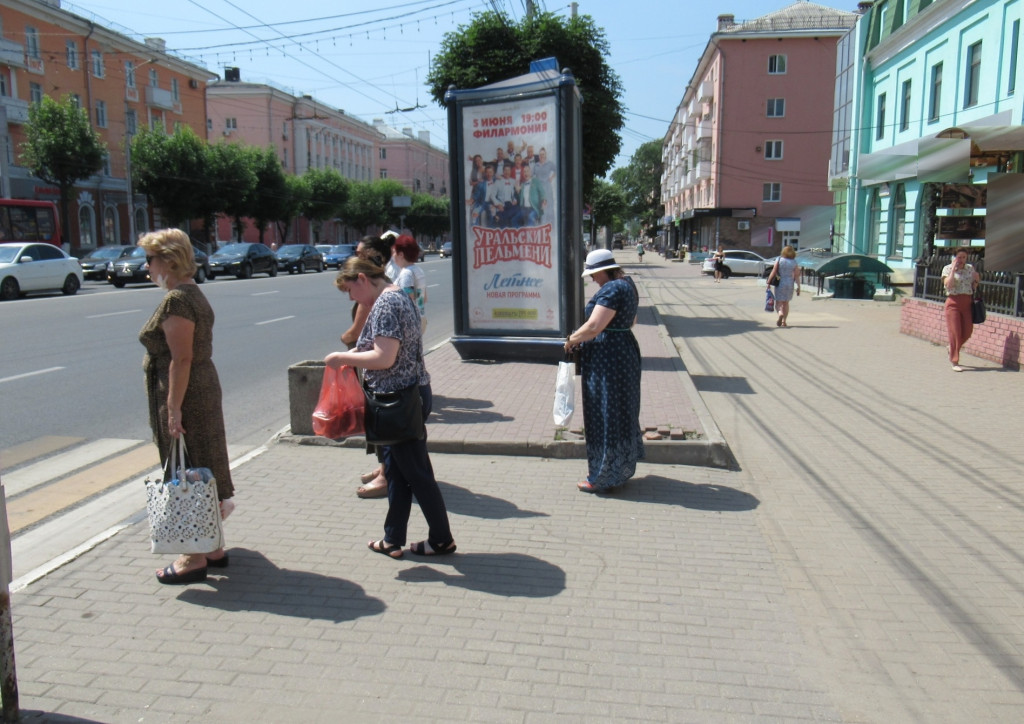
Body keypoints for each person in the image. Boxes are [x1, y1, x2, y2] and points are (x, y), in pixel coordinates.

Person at [325, 257, 456, 558]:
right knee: (397, 471)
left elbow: (384, 357)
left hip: (397, 399)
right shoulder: (398, 295)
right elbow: (381, 346)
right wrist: (358, 351)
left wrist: (343, 358)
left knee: (417, 474)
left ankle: (441, 539)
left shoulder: (385, 304)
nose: (350, 297)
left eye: (349, 290)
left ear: (362, 278)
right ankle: (392, 539)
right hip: (403, 395)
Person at [138, 229, 234, 585]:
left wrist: (173, 409)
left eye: (150, 259)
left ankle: (192, 556)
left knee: (185, 470)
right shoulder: (192, 292)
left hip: (188, 393)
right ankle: (212, 547)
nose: (146, 266)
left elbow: (181, 358)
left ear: (167, 259)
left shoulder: (177, 300)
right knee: (202, 463)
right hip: (200, 388)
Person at [564, 249, 644, 493]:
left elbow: (595, 326)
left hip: (607, 357)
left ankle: (602, 476)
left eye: (592, 274)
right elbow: (631, 321)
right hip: (624, 352)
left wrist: (571, 340)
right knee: (621, 411)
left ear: (601, 270)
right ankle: (620, 468)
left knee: (604, 413)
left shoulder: (611, 290)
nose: (591, 279)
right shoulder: (628, 284)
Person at [344, 235, 394, 499]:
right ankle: (387, 471)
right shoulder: (384, 289)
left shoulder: (381, 296)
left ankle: (388, 475)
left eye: (361, 252)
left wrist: (346, 351)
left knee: (383, 427)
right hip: (395, 383)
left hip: (390, 384)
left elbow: (383, 356)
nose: (352, 296)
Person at [941, 246, 980, 372]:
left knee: (967, 332)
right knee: (955, 333)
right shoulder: (947, 268)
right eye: (959, 257)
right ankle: (955, 361)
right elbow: (948, 284)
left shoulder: (970, 268)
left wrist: (976, 279)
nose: (961, 260)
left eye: (964, 257)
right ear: (954, 257)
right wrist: (953, 270)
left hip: (967, 302)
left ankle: (951, 348)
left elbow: (974, 286)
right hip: (953, 302)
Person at [392, 234, 427, 333]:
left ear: (401, 254)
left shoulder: (406, 273)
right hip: (420, 316)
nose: (393, 256)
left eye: (394, 252)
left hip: (408, 322)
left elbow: (407, 299)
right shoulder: (418, 270)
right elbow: (424, 298)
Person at [767, 245, 801, 327]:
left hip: (780, 282)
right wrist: (799, 287)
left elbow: (774, 271)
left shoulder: (779, 260)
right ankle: (784, 321)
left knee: (778, 302)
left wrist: (768, 282)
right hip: (790, 283)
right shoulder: (794, 262)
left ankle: (780, 313)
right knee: (786, 303)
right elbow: (797, 276)